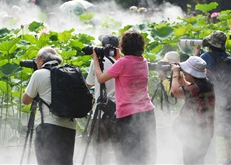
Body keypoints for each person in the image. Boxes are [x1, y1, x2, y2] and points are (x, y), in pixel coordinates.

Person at [92, 30, 157, 164]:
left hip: (129, 115)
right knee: (145, 153)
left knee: (128, 155)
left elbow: (100, 78)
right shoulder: (143, 61)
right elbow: (127, 68)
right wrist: (118, 59)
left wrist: (95, 60)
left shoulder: (122, 63)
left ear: (123, 46)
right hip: (147, 112)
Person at [22, 46, 77, 165]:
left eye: (36, 60)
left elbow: (26, 100)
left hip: (48, 128)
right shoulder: (69, 74)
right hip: (70, 128)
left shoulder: (39, 74)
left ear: (41, 59)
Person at [194, 30, 231, 164]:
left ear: (210, 43)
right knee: (228, 132)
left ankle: (210, 159)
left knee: (210, 130)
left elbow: (194, 70)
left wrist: (195, 55)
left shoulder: (206, 57)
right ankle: (228, 159)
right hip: (227, 96)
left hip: (211, 97)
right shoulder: (228, 56)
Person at [171, 56, 215, 164]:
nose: (184, 72)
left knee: (191, 161)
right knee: (198, 161)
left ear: (192, 73)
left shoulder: (198, 87)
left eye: (186, 71)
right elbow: (190, 93)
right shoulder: (205, 84)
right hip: (204, 132)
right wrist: (182, 81)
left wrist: (175, 74)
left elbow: (175, 92)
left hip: (196, 133)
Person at [85, 34, 119, 164]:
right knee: (119, 152)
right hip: (117, 113)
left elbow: (89, 84)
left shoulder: (97, 63)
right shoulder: (120, 62)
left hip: (100, 114)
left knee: (100, 154)